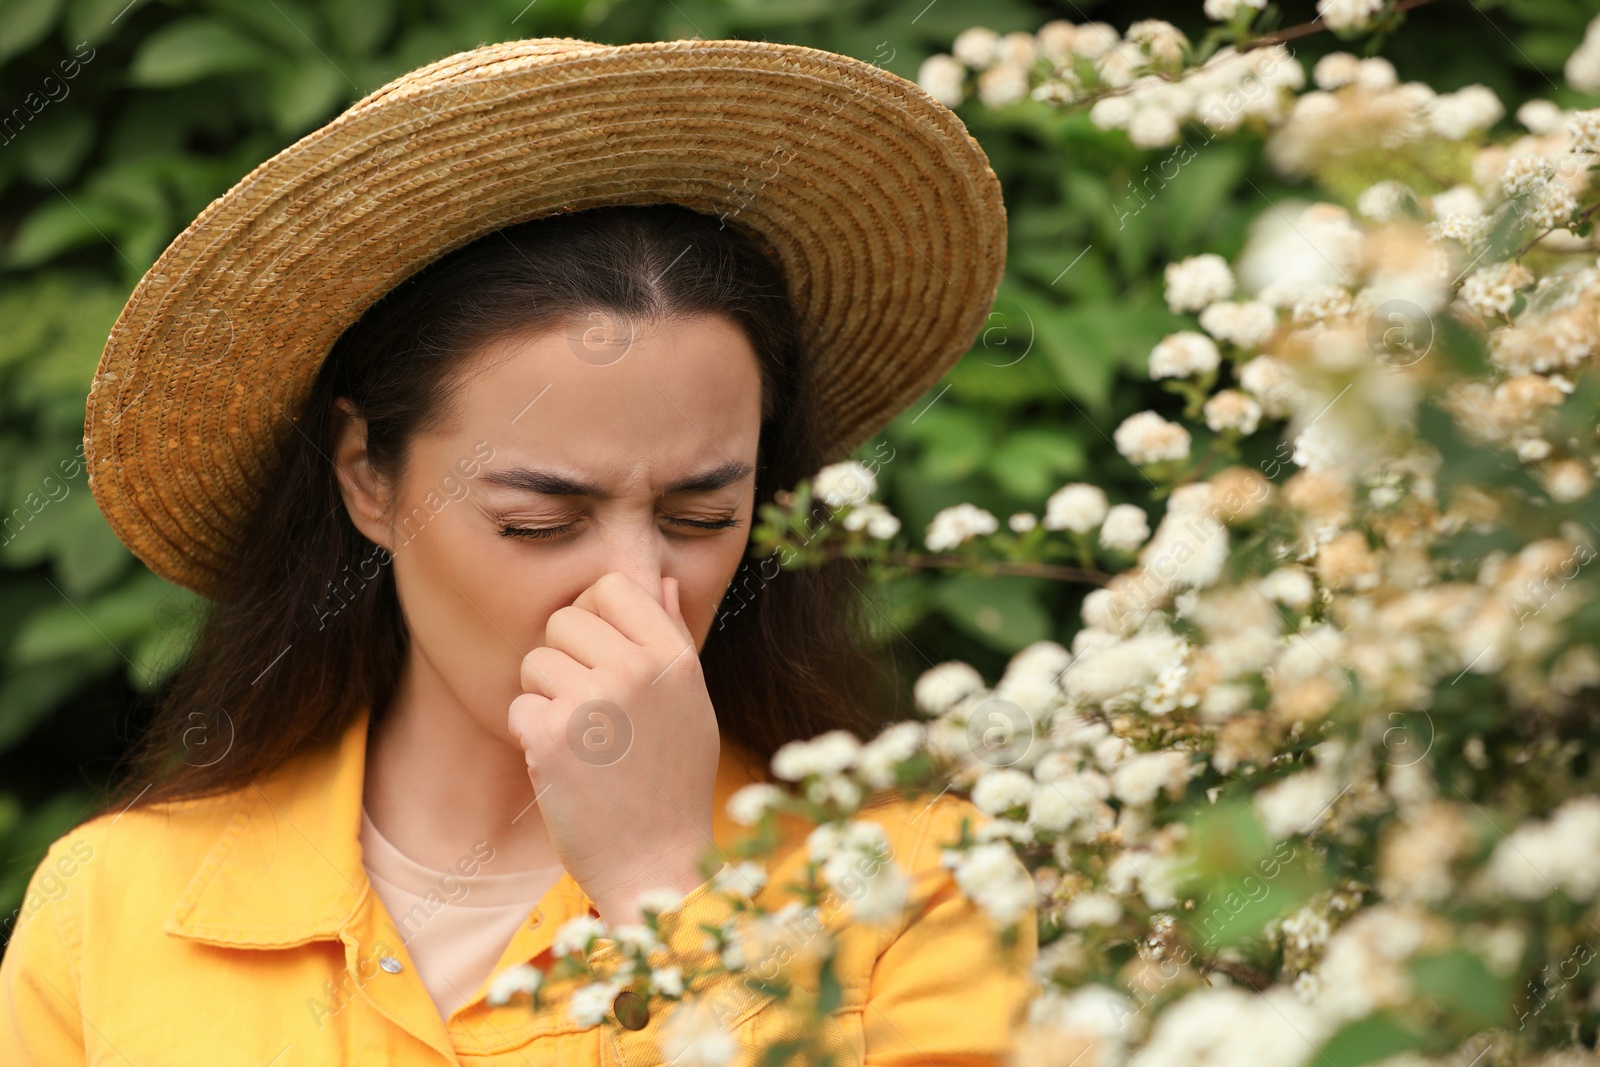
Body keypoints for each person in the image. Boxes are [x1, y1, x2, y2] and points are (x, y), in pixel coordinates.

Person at [0, 35, 1032, 1065]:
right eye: (540, 521)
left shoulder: (917, 886)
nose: (633, 587)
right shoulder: (117, 910)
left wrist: (668, 892)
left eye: (700, 516)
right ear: (367, 474)